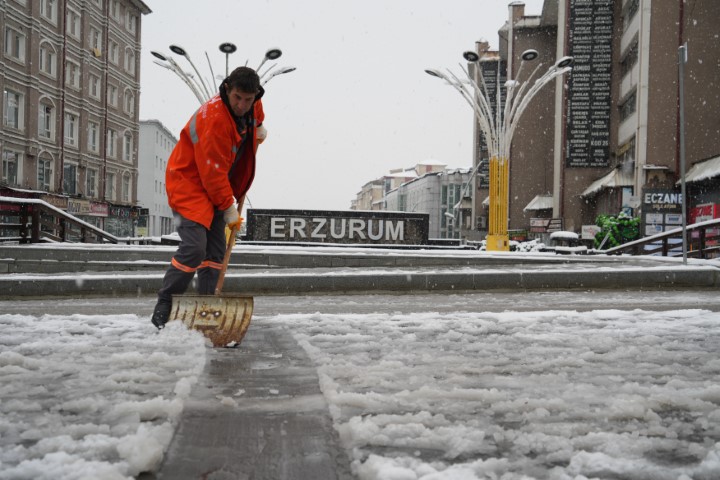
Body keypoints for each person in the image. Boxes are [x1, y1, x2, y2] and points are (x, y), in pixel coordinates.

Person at [151, 66, 267, 329]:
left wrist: (259, 126)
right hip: (189, 183)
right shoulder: (214, 120)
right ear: (227, 89)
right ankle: (165, 302)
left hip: (216, 185)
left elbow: (257, 112)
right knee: (194, 248)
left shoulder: (253, 103)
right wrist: (228, 207)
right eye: (237, 98)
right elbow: (212, 173)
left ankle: (207, 305)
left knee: (215, 252)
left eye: (248, 100)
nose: (242, 105)